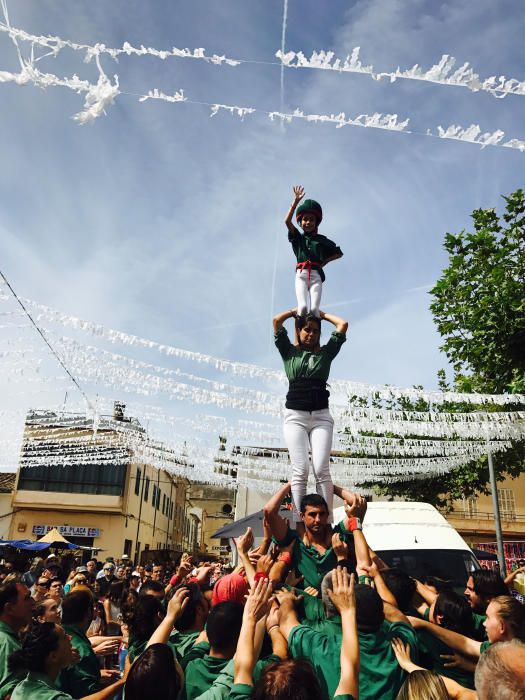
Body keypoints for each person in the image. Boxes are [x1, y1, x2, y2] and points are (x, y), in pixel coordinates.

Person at [272, 305, 348, 519]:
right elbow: (277, 321)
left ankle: (328, 520)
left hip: (321, 416)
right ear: (299, 331)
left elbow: (342, 325)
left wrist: (321, 315)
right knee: (301, 470)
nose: (311, 334)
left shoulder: (326, 354)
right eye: (307, 330)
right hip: (295, 416)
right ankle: (300, 519)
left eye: (315, 331)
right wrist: (294, 312)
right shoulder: (289, 353)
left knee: (321, 469)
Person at [264, 482, 366, 590]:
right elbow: (269, 511)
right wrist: (290, 485)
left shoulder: (338, 536)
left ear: (327, 515)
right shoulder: (294, 541)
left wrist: (329, 486)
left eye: (322, 514)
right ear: (302, 516)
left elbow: (359, 503)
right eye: (312, 514)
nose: (317, 519)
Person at [8, 621, 124, 700]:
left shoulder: (22, 686)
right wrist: (122, 681)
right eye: (64, 636)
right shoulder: (51, 697)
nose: (70, 638)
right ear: (53, 656)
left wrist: (63, 662)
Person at [284, 185, 343, 320]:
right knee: (303, 307)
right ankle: (299, 335)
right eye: (305, 219)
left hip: (316, 275)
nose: (308, 222)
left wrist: (325, 261)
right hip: (302, 274)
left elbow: (339, 253)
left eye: (311, 219)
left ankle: (315, 338)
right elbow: (287, 221)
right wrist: (295, 203)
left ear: (316, 222)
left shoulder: (321, 240)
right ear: (300, 222)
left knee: (315, 310)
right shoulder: (298, 238)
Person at [56, 589, 120, 696]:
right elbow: (88, 694)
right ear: (88, 613)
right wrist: (118, 684)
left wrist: (97, 675)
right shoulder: (82, 649)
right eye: (93, 607)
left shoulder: (59, 635)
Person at [0, 581, 33, 699]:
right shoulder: (7, 644)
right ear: (9, 608)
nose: (32, 602)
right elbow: (9, 696)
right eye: (27, 598)